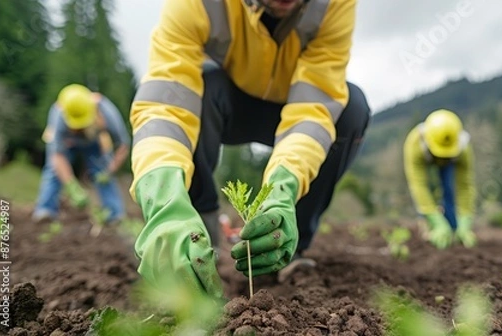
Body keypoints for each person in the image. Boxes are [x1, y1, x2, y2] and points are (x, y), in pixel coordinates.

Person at [129, 0, 370, 298]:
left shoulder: (334, 5)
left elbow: (314, 109)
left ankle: (286, 245)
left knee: (351, 109)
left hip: (296, 101)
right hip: (226, 100)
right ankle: (194, 242)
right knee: (196, 89)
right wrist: (163, 200)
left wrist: (282, 189)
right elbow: (167, 104)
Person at [32, 84, 131, 225]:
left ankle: (114, 215)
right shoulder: (58, 114)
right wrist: (72, 186)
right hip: (68, 144)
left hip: (94, 141)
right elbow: (57, 156)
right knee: (53, 170)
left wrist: (109, 171)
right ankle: (45, 210)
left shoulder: (106, 111)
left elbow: (123, 146)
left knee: (101, 167)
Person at [403, 109, 477, 249]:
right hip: (425, 156)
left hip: (452, 161)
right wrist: (435, 219)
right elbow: (418, 185)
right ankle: (429, 229)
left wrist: (466, 220)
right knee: (427, 192)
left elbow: (465, 185)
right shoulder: (415, 143)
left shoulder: (463, 147)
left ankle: (453, 230)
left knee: (449, 189)